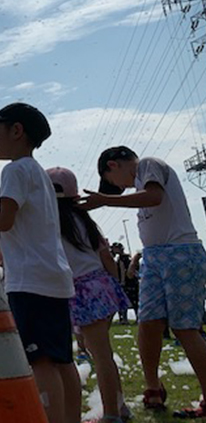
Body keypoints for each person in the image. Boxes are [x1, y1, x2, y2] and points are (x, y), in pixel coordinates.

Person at [0, 103, 80, 423]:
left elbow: (5, 220)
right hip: (54, 278)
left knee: (40, 361)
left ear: (16, 131)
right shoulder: (37, 171)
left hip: (30, 281)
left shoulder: (13, 170)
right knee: (62, 360)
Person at [81, 146, 206, 417]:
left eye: (115, 183)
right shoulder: (139, 183)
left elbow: (154, 197)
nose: (122, 188)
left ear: (113, 165)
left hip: (180, 252)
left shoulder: (148, 164)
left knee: (185, 328)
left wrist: (105, 200)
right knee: (148, 323)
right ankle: (153, 387)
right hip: (155, 256)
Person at [47, 167, 131, 423]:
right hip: (102, 285)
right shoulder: (85, 221)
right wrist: (115, 286)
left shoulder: (49, 224)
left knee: (100, 356)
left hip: (80, 290)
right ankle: (120, 407)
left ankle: (112, 414)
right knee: (104, 354)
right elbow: (106, 257)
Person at [110, 242, 138, 324]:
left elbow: (122, 270)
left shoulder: (121, 259)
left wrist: (122, 282)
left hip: (126, 282)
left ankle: (124, 319)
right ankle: (137, 318)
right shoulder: (128, 258)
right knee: (134, 301)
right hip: (133, 281)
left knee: (123, 301)